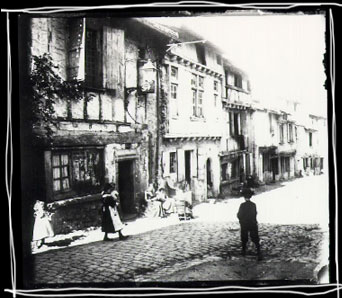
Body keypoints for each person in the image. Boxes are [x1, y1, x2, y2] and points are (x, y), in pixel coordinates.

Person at [237, 187, 262, 261]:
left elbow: (239, 214)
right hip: (252, 223)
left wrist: (241, 220)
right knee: (255, 237)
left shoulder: (242, 205)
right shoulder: (253, 205)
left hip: (244, 223)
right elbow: (255, 213)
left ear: (244, 197)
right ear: (250, 197)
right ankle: (258, 251)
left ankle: (244, 251)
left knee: (244, 237)